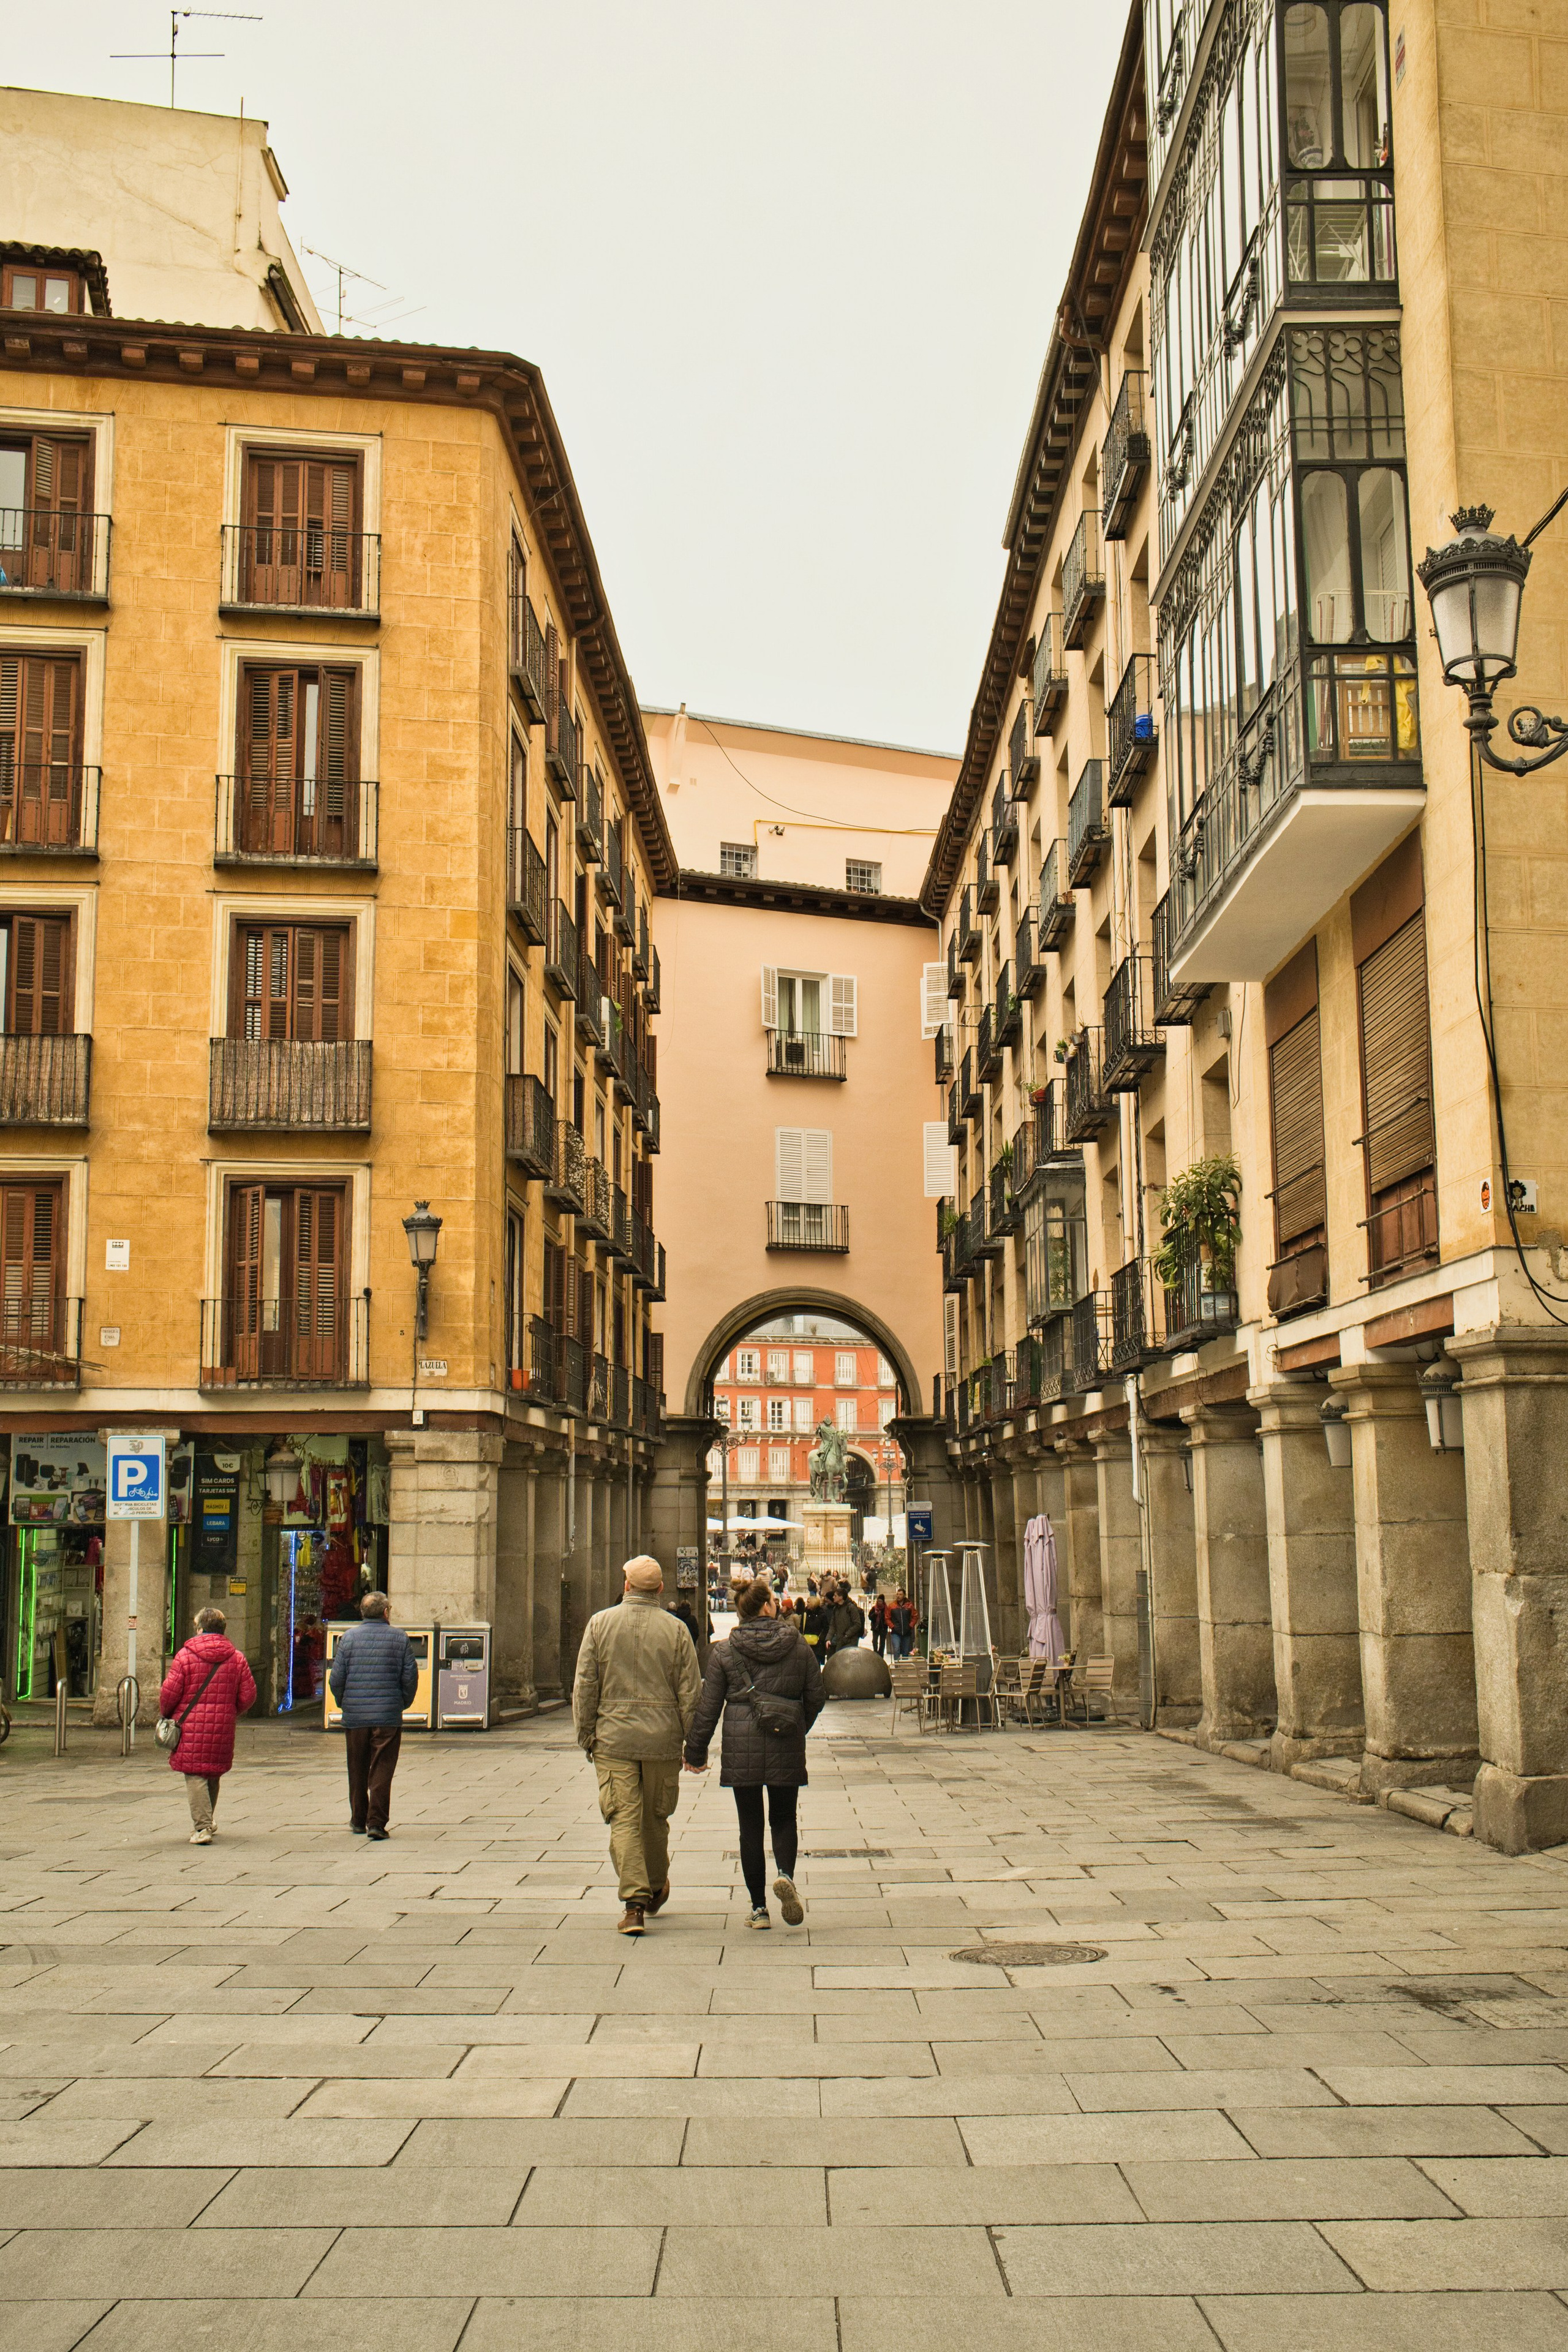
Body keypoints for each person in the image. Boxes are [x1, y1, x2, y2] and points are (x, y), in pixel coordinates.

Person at [684, 1577, 824, 1930]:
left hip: (740, 1746)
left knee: (750, 1826)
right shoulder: (798, 1645)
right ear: (766, 1606)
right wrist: (796, 1726)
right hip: (785, 1743)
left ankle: (759, 1909)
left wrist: (695, 1751)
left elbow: (708, 1707)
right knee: (784, 1818)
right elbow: (817, 1695)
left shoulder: (724, 1651)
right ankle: (786, 1875)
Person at [574, 1555, 701, 1935]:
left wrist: (586, 1733)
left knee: (623, 1820)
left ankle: (634, 1905)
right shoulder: (677, 1630)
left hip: (613, 1739)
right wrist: (692, 1743)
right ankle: (656, 1885)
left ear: (627, 1586)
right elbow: (690, 1692)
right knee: (656, 1819)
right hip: (662, 1739)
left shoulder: (600, 1624)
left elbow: (585, 1684)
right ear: (660, 1589)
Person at [158, 1606, 257, 1845]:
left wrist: (167, 1714)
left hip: (190, 1726)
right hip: (223, 1726)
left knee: (195, 1773)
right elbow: (249, 1696)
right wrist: (230, 1711)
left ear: (200, 1629)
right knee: (212, 1772)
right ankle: (208, 1820)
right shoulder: (237, 1658)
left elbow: (169, 1694)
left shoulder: (185, 1656)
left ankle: (202, 1828)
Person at [328, 1591, 418, 1840]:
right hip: (387, 1716)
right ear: (386, 1612)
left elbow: (336, 1679)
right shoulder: (400, 1638)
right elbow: (410, 1677)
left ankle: (358, 1820)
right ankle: (376, 1823)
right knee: (382, 1769)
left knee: (356, 1768)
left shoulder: (348, 1638)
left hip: (356, 1716)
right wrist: (401, 1703)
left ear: (363, 1613)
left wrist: (344, 1703)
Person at [824, 1581, 864, 1660]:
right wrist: (828, 1639)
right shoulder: (836, 1609)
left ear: (841, 1597)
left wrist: (847, 1635)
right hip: (840, 1641)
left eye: (835, 1596)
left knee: (848, 1662)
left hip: (850, 1641)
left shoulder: (851, 1608)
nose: (833, 1597)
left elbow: (857, 1624)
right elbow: (833, 1625)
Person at [889, 1588, 917, 1662]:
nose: (898, 1596)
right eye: (897, 1594)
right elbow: (887, 1617)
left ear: (904, 1595)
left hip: (906, 1631)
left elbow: (915, 1616)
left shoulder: (909, 1606)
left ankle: (904, 1665)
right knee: (896, 1649)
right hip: (895, 1632)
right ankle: (897, 1665)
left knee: (906, 1651)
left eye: (900, 1594)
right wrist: (892, 1626)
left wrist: (910, 1626)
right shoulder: (892, 1606)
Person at [870, 1593, 890, 1657]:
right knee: (875, 1641)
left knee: (882, 1643)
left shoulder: (886, 1609)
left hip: (883, 1628)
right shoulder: (874, 1608)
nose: (879, 1603)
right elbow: (870, 1617)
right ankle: (875, 1653)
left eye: (881, 1601)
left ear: (883, 1601)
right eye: (878, 1601)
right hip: (876, 1628)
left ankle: (881, 1656)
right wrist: (875, 1614)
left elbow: (888, 1617)